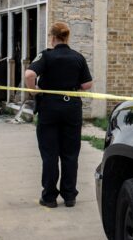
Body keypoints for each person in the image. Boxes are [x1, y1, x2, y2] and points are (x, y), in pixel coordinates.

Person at [24, 22, 92, 208]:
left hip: (49, 109)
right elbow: (87, 85)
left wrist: (34, 91)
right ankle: (69, 196)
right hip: (71, 110)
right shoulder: (78, 57)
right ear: (67, 37)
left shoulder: (46, 55)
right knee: (70, 154)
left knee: (50, 154)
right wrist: (74, 86)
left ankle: (49, 197)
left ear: (53, 38)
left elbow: (29, 74)